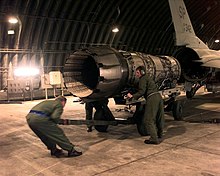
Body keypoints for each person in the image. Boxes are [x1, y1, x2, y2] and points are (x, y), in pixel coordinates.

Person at [127, 66, 164, 145]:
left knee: (149, 119)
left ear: (141, 72)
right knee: (159, 117)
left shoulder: (143, 79)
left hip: (152, 98)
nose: (136, 74)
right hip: (158, 97)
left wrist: (132, 96)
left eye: (137, 73)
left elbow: (142, 91)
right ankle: (159, 134)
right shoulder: (148, 77)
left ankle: (154, 138)